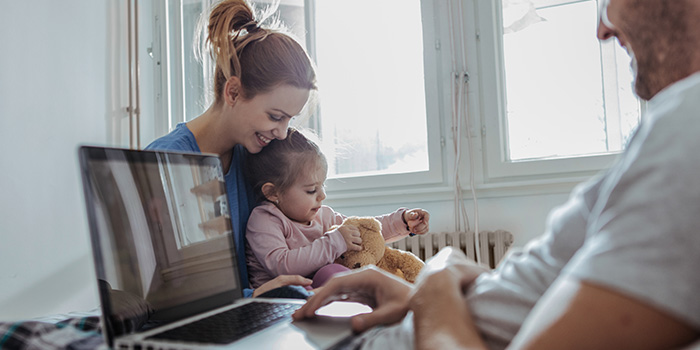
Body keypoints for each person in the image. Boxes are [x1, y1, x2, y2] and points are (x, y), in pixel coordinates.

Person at [293, 0, 700, 348]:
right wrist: (423, 294)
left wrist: (438, 277)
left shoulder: (688, 122)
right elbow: (540, 298)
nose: (602, 28)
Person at [145, 0, 317, 298]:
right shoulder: (167, 161)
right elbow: (167, 289)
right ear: (233, 92)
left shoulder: (255, 157)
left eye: (290, 119)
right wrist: (257, 296)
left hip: (245, 312)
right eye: (275, 116)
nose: (282, 132)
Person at [244, 128, 430, 289]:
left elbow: (365, 231)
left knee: (367, 272)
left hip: (318, 295)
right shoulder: (264, 219)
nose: (322, 196)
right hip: (282, 299)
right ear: (273, 192)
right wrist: (333, 243)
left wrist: (403, 222)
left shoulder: (324, 216)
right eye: (311, 190)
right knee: (335, 273)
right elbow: (281, 265)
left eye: (322, 186)